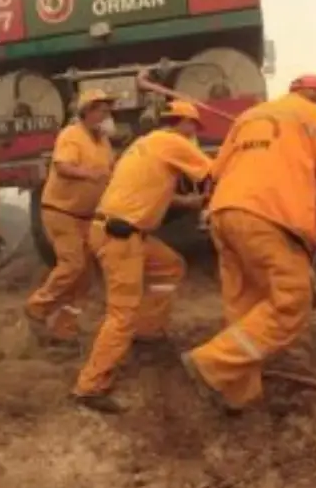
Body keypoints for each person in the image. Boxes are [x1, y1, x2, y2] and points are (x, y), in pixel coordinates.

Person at [182, 74, 316, 412]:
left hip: (224, 213)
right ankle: (210, 363)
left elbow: (216, 170)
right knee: (293, 303)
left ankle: (238, 394)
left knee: (244, 306)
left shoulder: (250, 116)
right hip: (271, 217)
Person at [72, 100, 213, 413]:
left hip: (119, 231)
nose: (195, 134)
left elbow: (149, 186)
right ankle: (90, 386)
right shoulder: (172, 141)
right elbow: (214, 171)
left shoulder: (145, 143)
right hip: (120, 237)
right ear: (184, 123)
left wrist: (188, 202)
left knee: (170, 267)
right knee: (121, 313)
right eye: (194, 127)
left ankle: (147, 331)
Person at [24, 90, 117, 345]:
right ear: (87, 112)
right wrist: (89, 175)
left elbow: (111, 170)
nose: (107, 116)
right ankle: (37, 306)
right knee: (73, 264)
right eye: (102, 110)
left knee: (85, 275)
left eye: (108, 111)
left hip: (86, 215)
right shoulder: (71, 135)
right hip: (61, 211)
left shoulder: (103, 142)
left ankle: (64, 325)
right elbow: (63, 166)